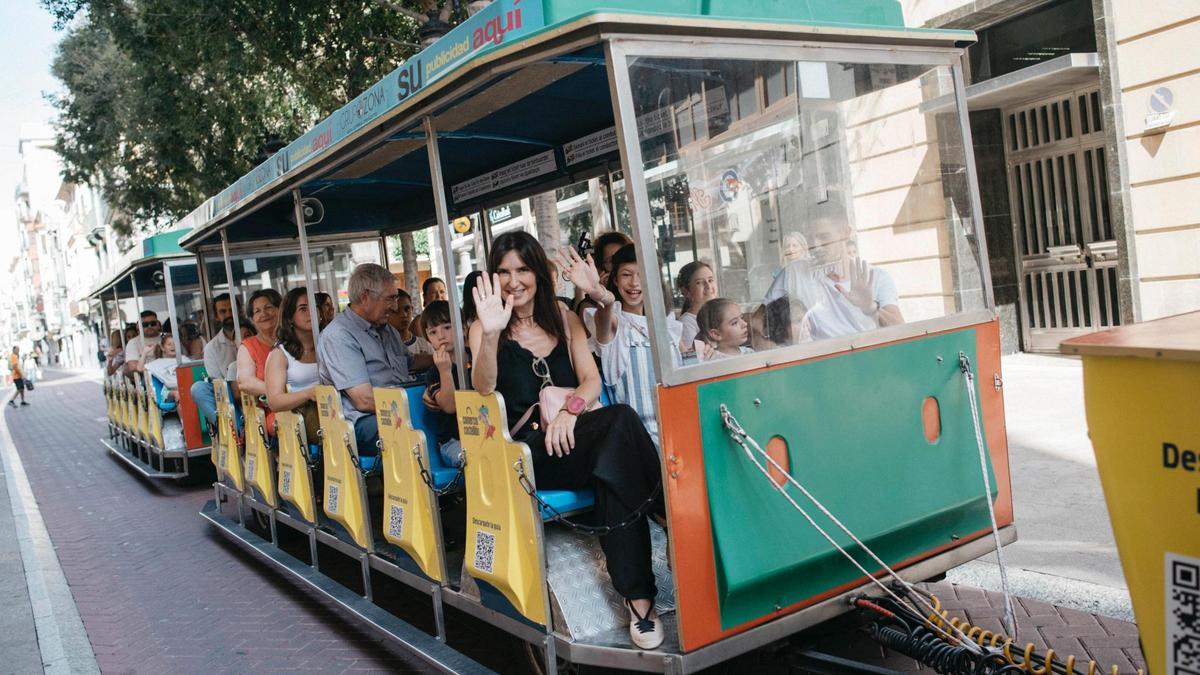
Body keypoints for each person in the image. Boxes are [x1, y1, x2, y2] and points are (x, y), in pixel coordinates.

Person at [470, 231, 665, 650]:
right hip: (527, 453)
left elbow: (590, 379)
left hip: (575, 437)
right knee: (619, 425)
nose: (513, 281)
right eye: (504, 272)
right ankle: (663, 506)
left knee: (614, 468)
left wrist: (568, 411)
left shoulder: (563, 318)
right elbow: (483, 387)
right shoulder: (484, 327)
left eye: (523, 269)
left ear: (539, 274)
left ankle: (639, 601)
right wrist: (491, 333)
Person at [561, 244, 681, 449]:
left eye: (642, 274)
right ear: (615, 279)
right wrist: (601, 295)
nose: (634, 282)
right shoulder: (614, 322)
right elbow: (605, 314)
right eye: (626, 274)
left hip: (678, 432)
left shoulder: (667, 324)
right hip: (639, 441)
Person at [318, 264, 432, 456]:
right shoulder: (339, 336)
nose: (394, 306)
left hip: (400, 407)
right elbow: (364, 400)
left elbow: (409, 362)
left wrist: (442, 358)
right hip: (365, 420)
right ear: (365, 297)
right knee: (414, 433)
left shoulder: (387, 330)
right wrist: (415, 406)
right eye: (390, 299)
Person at [763, 216, 903, 341]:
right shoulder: (795, 273)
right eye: (810, 239)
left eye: (824, 237)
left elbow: (900, 330)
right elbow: (757, 323)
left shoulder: (876, 277)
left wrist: (869, 307)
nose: (816, 246)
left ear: (845, 232)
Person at [265, 287, 320, 442]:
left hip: (333, 407)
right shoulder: (280, 354)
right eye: (303, 309)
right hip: (303, 417)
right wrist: (308, 394)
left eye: (314, 306)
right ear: (289, 318)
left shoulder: (328, 343)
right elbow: (274, 401)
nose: (311, 312)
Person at [419, 300, 462, 467]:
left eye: (447, 327)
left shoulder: (475, 359)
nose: (441, 336)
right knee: (472, 457)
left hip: (481, 436)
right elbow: (449, 406)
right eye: (433, 332)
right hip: (452, 443)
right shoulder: (434, 373)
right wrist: (445, 371)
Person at [190, 294, 239, 427]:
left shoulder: (253, 335)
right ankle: (227, 428)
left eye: (232, 310)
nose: (229, 314)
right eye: (223, 311)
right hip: (231, 395)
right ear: (217, 317)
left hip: (259, 388)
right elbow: (219, 385)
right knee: (198, 389)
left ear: (239, 311)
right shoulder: (211, 348)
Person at [236, 289, 282, 414]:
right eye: (257, 311)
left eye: (268, 307)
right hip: (271, 411)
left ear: (280, 310)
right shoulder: (248, 346)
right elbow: (245, 382)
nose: (264, 314)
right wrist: (280, 393)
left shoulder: (293, 339)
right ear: (252, 319)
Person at [675, 261, 718, 351]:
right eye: (699, 283)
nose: (708, 286)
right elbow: (696, 357)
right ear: (686, 291)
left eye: (710, 280)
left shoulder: (718, 315)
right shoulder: (686, 323)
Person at [387, 289, 433, 362]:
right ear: (386, 314)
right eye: (396, 310)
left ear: (412, 309)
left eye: (407, 309)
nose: (404, 315)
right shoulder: (384, 348)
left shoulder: (425, 345)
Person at [144, 333, 180, 406]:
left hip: (184, 387)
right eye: (169, 344)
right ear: (163, 348)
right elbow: (139, 368)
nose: (173, 346)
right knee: (178, 394)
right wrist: (144, 353)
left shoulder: (184, 359)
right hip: (169, 391)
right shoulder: (158, 363)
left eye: (175, 344)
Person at [123, 310, 163, 376]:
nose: (149, 326)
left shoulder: (167, 337)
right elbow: (133, 366)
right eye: (145, 325)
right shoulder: (133, 343)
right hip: (147, 378)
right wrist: (159, 369)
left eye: (153, 323)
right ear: (139, 327)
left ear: (158, 325)